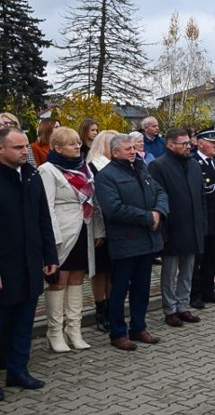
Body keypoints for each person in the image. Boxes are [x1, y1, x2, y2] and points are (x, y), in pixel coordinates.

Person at [94, 134, 168, 351]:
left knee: (142, 289)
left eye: (134, 148)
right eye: (127, 149)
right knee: (119, 291)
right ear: (115, 152)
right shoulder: (106, 176)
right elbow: (113, 208)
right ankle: (118, 332)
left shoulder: (141, 168)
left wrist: (158, 212)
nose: (133, 151)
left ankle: (138, 327)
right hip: (125, 243)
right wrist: (148, 218)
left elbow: (160, 192)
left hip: (147, 241)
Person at [0, 127, 59, 395]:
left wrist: (50, 256)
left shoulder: (32, 176)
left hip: (30, 261)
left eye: (25, 146)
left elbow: (43, 218)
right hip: (5, 265)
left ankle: (18, 371)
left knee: (24, 321)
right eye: (18, 148)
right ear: (1, 149)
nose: (25, 151)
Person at [38, 127, 105, 352]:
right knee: (59, 280)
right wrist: (53, 237)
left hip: (83, 229)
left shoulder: (83, 167)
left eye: (78, 142)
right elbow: (46, 206)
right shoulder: (48, 170)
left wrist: (97, 231)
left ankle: (73, 330)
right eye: (71, 144)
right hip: (63, 232)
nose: (78, 146)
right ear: (57, 147)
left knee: (77, 278)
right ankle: (55, 332)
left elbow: (92, 202)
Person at [147, 128, 207, 328]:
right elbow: (157, 198)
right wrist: (162, 227)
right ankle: (170, 309)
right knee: (170, 271)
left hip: (192, 226)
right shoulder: (158, 166)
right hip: (172, 227)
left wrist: (201, 222)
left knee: (188, 270)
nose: (187, 147)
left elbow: (201, 197)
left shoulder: (194, 165)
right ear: (170, 145)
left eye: (189, 144)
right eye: (183, 144)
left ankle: (183, 305)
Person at [189, 128, 215, 310]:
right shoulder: (193, 163)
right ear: (200, 143)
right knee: (198, 259)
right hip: (200, 220)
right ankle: (195, 294)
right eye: (212, 142)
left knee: (213, 258)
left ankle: (209, 290)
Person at [85, 129, 119, 333]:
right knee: (100, 271)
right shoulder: (92, 167)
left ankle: (110, 306)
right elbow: (94, 201)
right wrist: (99, 230)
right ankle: (100, 309)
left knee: (112, 270)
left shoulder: (116, 167)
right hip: (100, 226)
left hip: (116, 226)